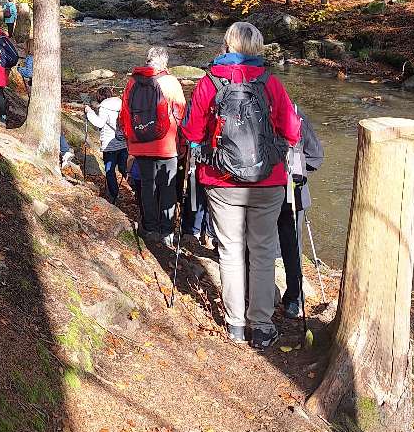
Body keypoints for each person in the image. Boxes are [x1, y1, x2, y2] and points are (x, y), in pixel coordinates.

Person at [181, 20, 301, 351]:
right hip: (269, 181)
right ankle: (261, 326)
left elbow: (191, 133)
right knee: (263, 252)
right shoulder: (271, 82)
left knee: (230, 250)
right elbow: (292, 131)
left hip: (221, 181)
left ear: (228, 45)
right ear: (258, 48)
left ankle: (235, 324)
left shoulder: (210, 82)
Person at [119, 46, 186, 242]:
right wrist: (182, 143)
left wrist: (130, 138)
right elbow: (180, 112)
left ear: (147, 60)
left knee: (147, 186)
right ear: (165, 62)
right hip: (167, 145)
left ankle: (149, 228)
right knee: (167, 187)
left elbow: (125, 113)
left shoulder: (132, 82)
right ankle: (166, 231)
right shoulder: (171, 82)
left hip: (140, 143)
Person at [278, 104, 324, 319]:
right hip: (291, 191)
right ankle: (294, 300)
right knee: (292, 246)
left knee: (264, 243)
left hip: (266, 190)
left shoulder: (251, 108)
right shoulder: (296, 113)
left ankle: (288, 297)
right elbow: (315, 157)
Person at [84, 94, 128, 205]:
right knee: (125, 169)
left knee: (110, 171)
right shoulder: (122, 104)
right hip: (124, 144)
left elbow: (99, 123)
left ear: (100, 98)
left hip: (110, 146)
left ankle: (115, 195)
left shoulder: (104, 107)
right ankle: (137, 189)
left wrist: (89, 112)